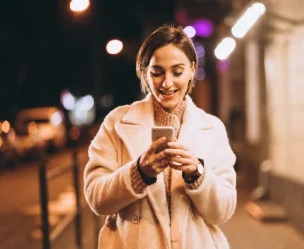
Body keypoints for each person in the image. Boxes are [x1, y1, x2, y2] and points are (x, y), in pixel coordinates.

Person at [84, 24, 237, 249]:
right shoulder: (117, 123)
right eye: (157, 72)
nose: (167, 83)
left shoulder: (212, 128)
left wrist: (198, 173)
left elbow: (222, 212)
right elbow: (97, 199)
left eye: (177, 72)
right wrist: (138, 173)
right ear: (145, 72)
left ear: (192, 70)